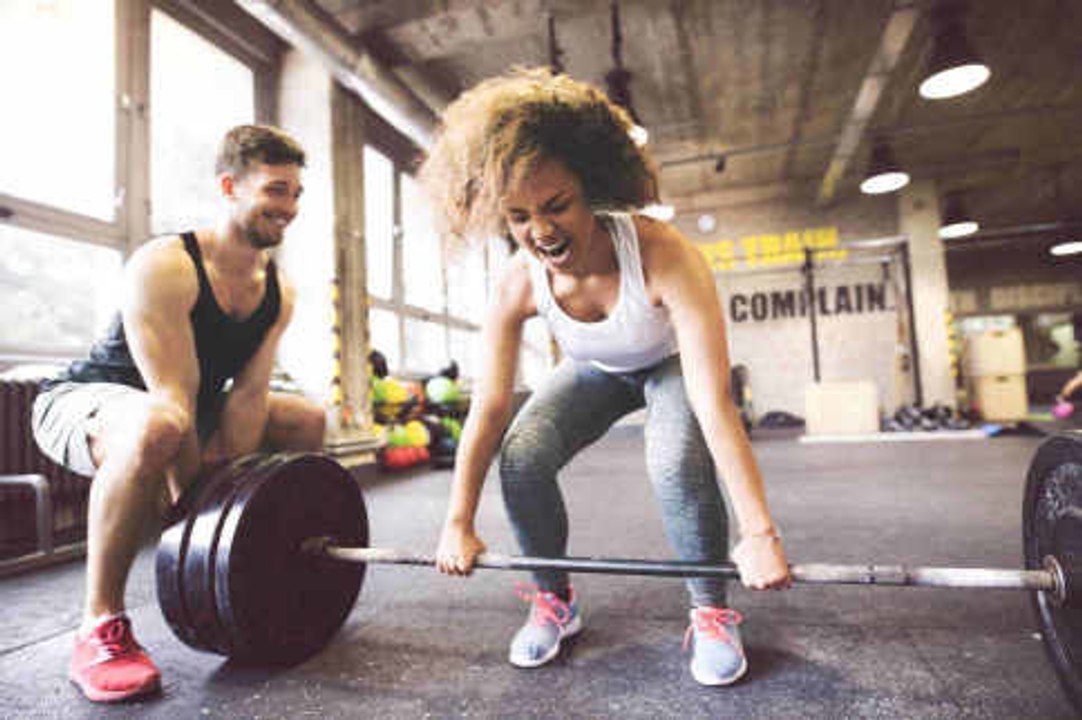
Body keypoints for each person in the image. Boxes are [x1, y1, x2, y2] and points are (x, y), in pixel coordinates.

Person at [420, 68, 790, 686]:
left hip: (669, 366)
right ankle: (554, 602)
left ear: (592, 189)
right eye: (518, 216)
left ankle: (711, 611)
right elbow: (488, 405)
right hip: (595, 369)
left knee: (673, 458)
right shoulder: (518, 282)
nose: (541, 231)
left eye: (557, 205)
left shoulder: (664, 255)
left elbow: (713, 401)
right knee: (522, 454)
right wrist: (458, 520)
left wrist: (759, 532)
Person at [31, 125, 326, 703]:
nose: (288, 208)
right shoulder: (167, 265)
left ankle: (270, 557)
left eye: (295, 193)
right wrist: (198, 529)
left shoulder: (278, 291)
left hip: (179, 406)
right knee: (158, 426)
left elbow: (246, 399)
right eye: (274, 190)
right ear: (229, 187)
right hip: (86, 400)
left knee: (305, 420)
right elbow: (174, 400)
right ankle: (99, 628)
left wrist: (236, 538)